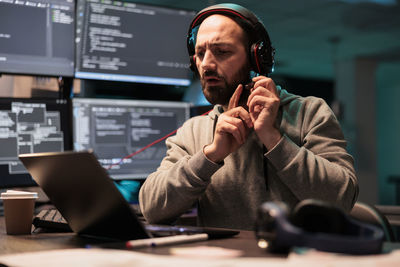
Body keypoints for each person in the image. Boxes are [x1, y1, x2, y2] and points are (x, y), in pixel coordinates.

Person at [139, 3, 358, 230]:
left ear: (256, 59)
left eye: (222, 52)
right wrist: (211, 155)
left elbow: (342, 199)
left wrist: (274, 139)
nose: (206, 65)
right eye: (200, 54)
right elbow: (152, 209)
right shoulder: (193, 131)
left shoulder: (309, 113)